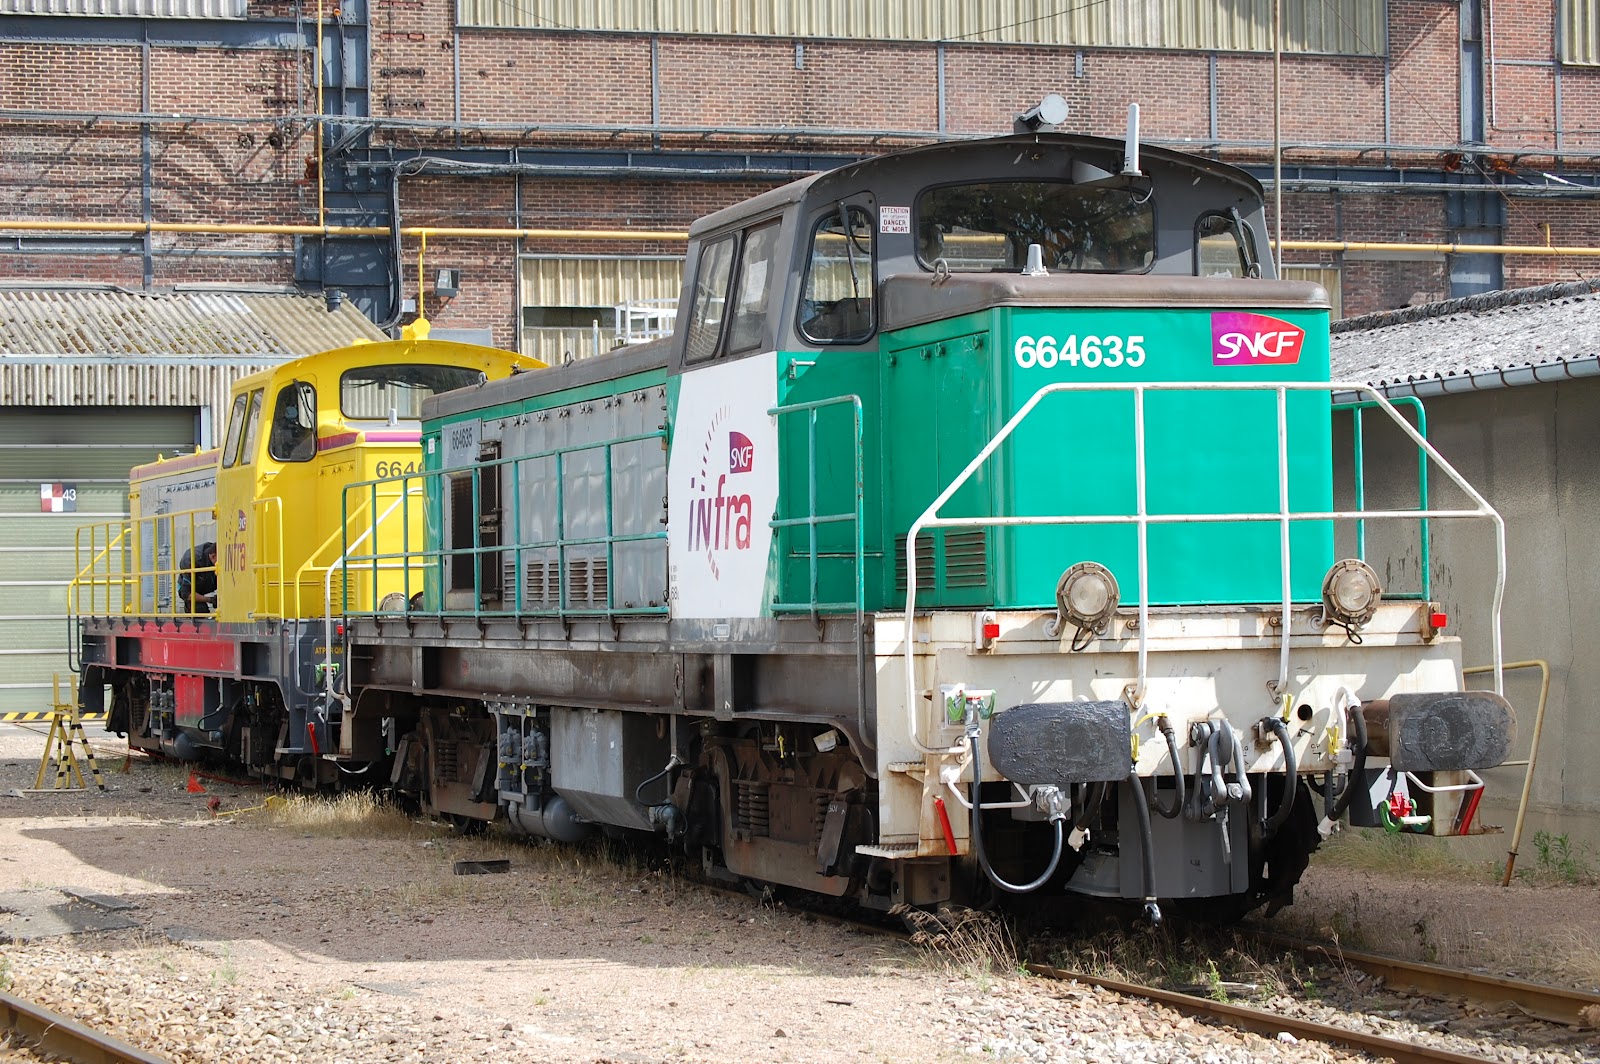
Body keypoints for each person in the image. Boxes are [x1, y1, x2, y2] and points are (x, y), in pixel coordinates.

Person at [177, 541, 218, 614]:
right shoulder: (191, 560)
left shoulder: (215, 549)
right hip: (192, 589)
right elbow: (185, 593)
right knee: (199, 610)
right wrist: (211, 600)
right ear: (213, 556)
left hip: (208, 583)